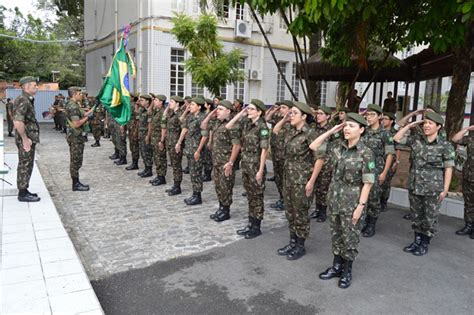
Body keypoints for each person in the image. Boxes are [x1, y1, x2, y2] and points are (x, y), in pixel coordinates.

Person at [310, 113, 375, 289]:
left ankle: (347, 271)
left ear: (361, 130)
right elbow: (314, 145)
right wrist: (331, 131)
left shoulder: (366, 153)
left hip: (353, 201)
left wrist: (360, 206)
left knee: (350, 237)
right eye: (345, 125)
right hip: (335, 199)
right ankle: (336, 266)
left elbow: (368, 183)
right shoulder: (337, 147)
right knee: (336, 234)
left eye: (352, 126)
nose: (347, 128)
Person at [394, 111, 454, 256]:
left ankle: (424, 243)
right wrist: (412, 125)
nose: (426, 126)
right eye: (425, 123)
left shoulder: (445, 145)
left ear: (438, 126)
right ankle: (417, 240)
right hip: (415, 185)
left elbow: (448, 168)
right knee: (416, 215)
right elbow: (396, 138)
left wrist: (445, 189)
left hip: (433, 187)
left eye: (430, 123)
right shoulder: (416, 140)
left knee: (429, 217)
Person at [273, 101, 318, 260]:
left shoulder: (310, 133)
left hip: (302, 180)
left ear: (304, 116)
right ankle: (292, 241)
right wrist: (286, 118)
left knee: (301, 213)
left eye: (294, 113)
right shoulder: (290, 131)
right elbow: (275, 129)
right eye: (290, 112)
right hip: (288, 178)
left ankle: (300, 245)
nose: (291, 115)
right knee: (290, 212)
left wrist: (312, 181)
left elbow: (320, 159)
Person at [226, 99, 269, 239]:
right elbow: (229, 125)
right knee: (250, 196)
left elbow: (264, 150)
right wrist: (241, 114)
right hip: (246, 164)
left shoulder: (262, 127)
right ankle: (250, 223)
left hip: (256, 165)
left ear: (259, 112)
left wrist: (261, 170)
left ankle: (256, 226)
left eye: (251, 109)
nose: (248, 111)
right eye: (248, 109)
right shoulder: (247, 123)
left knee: (257, 196)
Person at [202, 100, 241, 222]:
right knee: (218, 186)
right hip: (216, 161)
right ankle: (221, 207)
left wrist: (230, 163)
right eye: (217, 109)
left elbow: (237, 146)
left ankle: (226, 210)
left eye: (220, 109)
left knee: (226, 187)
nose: (217, 111)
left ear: (228, 111)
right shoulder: (217, 123)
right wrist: (211, 113)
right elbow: (203, 125)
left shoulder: (232, 125)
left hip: (225, 162)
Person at [360, 104, 395, 237]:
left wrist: (384, 173)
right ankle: (363, 221)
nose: (369, 117)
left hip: (377, 169)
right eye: (368, 114)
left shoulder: (385, 134)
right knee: (363, 197)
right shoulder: (364, 130)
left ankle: (371, 225)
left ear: (379, 116)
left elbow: (390, 154)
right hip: (363, 169)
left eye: (372, 115)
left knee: (374, 198)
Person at [13, 76, 41, 202]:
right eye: (34, 85)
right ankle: (22, 193)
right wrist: (25, 139)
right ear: (26, 87)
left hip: (29, 138)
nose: (37, 87)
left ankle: (24, 189)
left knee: (27, 164)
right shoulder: (23, 100)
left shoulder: (26, 99)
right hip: (26, 139)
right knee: (25, 164)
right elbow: (18, 122)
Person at [176, 97, 207, 205]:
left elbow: (204, 136)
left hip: (196, 150)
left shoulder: (202, 118)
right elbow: (185, 128)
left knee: (196, 173)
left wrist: (198, 151)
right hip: (189, 148)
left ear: (199, 107)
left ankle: (197, 196)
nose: (190, 106)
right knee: (192, 173)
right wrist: (179, 142)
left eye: (193, 105)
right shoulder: (190, 116)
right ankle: (195, 194)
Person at [266, 100, 293, 211]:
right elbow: (267, 118)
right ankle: (282, 198)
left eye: (283, 107)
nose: (281, 109)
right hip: (277, 154)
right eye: (280, 107)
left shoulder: (292, 123)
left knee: (285, 181)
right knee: (278, 179)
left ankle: (286, 201)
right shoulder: (279, 120)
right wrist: (275, 109)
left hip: (285, 157)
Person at [309, 105, 334, 222]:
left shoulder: (332, 130)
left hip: (327, 162)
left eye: (321, 114)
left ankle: (323, 211)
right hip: (314, 160)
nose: (318, 116)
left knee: (324, 188)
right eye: (317, 113)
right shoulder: (314, 127)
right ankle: (317, 209)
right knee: (317, 186)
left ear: (328, 116)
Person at [65, 87, 93, 191]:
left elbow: (84, 114)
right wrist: (87, 119)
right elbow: (76, 124)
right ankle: (75, 184)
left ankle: (76, 182)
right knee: (75, 160)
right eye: (80, 93)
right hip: (75, 137)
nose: (81, 95)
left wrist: (94, 108)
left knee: (77, 159)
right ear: (75, 94)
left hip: (77, 136)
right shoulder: (73, 106)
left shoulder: (75, 105)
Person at [451, 125, 474, 239]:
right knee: (469, 203)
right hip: (469, 176)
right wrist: (467, 129)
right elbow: (455, 139)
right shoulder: (471, 139)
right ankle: (469, 225)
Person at [163, 96, 185, 195]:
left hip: (176, 143)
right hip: (170, 142)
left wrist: (179, 143)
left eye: (172, 102)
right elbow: (164, 116)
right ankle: (175, 185)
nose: (169, 103)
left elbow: (184, 130)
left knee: (177, 165)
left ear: (178, 104)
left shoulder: (180, 114)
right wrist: (168, 107)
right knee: (173, 164)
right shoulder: (172, 113)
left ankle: (177, 186)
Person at [380, 112, 400, 212]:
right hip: (380, 161)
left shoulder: (394, 132)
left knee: (386, 183)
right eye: (382, 119)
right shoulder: (380, 131)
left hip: (390, 160)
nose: (383, 121)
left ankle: (383, 202)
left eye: (386, 119)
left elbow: (398, 148)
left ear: (391, 121)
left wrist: (397, 162)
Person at [149, 94, 168, 186]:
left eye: (156, 100)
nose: (154, 101)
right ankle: (158, 175)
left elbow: (164, 128)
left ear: (161, 102)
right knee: (156, 157)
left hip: (159, 138)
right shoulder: (156, 111)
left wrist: (162, 140)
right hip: (154, 137)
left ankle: (162, 177)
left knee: (161, 158)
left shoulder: (163, 112)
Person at [137, 94, 154, 178]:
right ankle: (146, 168)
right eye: (140, 100)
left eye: (142, 100)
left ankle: (149, 170)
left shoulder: (150, 111)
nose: (140, 102)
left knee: (147, 152)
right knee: (143, 151)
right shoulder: (141, 109)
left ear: (147, 101)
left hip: (147, 133)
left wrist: (148, 135)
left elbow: (150, 125)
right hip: (141, 133)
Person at [126, 95, 140, 170]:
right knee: (132, 146)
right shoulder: (131, 105)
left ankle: (135, 163)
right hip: (131, 128)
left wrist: (135, 130)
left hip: (134, 128)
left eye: (129, 97)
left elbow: (137, 119)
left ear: (132, 98)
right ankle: (134, 162)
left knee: (134, 146)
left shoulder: (133, 105)